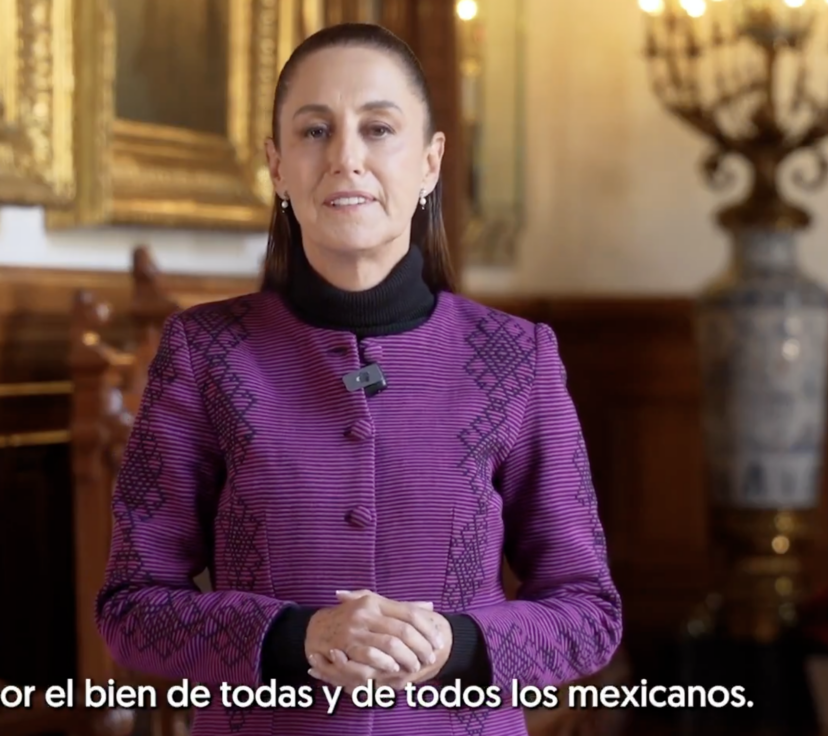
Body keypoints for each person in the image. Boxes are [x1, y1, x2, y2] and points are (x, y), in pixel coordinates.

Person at [95, 22, 622, 736]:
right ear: (277, 165)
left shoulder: (518, 356)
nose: (346, 158)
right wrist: (294, 639)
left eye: (378, 129)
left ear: (430, 162)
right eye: (315, 131)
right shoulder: (203, 351)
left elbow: (589, 615)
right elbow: (130, 609)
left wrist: (456, 645)